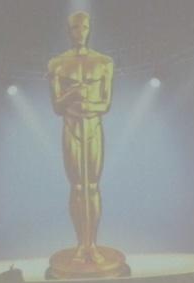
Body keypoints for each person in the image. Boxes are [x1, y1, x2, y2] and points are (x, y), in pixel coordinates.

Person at [48, 11, 114, 266]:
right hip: (72, 127)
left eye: (84, 27)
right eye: (75, 28)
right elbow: (56, 106)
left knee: (92, 186)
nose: (80, 32)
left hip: (93, 127)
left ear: (89, 29)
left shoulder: (104, 62)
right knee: (77, 187)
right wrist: (73, 94)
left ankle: (92, 244)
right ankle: (80, 244)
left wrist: (89, 105)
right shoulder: (57, 63)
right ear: (69, 31)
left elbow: (105, 103)